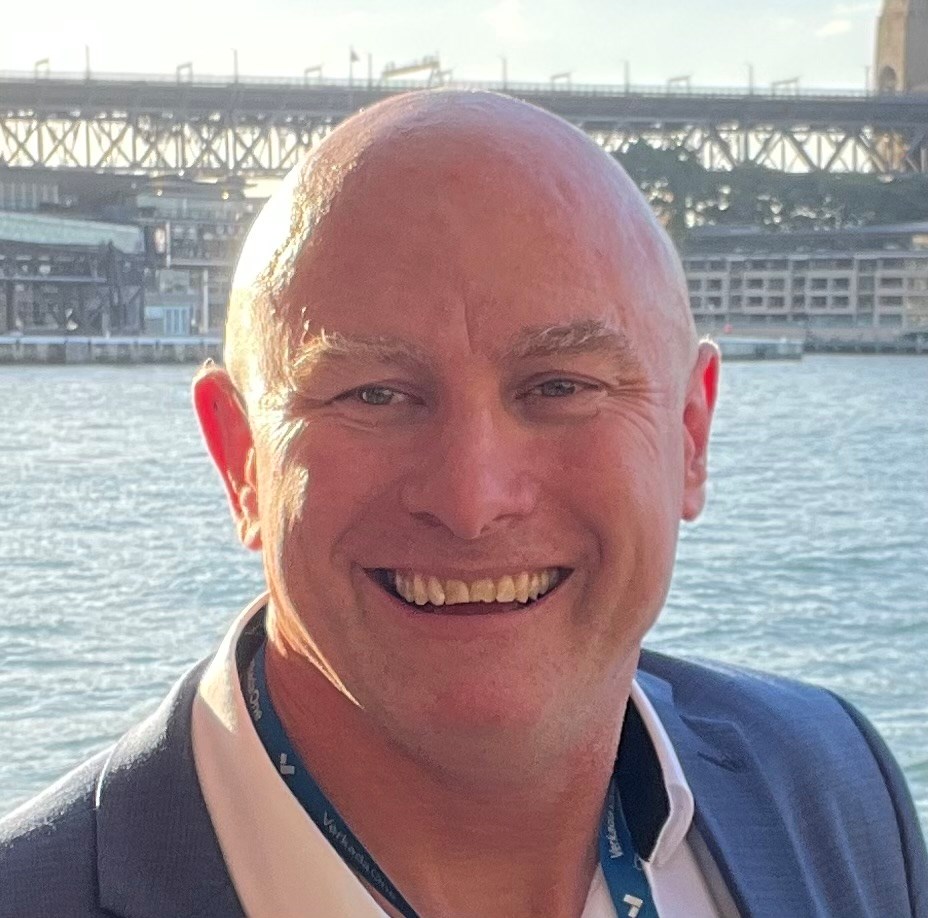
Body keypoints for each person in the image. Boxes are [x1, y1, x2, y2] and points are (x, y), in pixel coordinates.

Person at [1, 90, 925, 918]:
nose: (472, 501)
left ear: (690, 435)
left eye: (560, 386)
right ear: (241, 458)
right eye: (373, 394)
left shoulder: (837, 789)